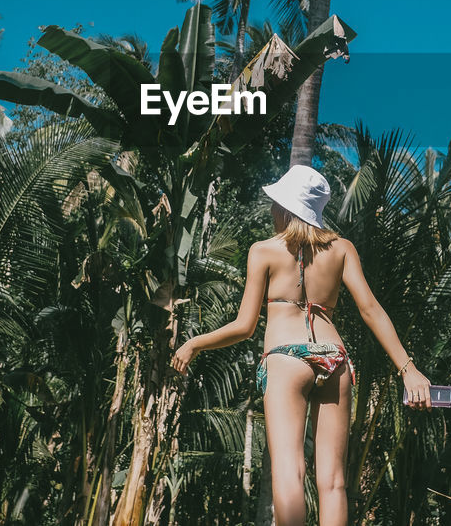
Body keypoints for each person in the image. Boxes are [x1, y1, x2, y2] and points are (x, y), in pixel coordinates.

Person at [170, 164, 434, 526]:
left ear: (284, 208)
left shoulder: (263, 251)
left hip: (286, 359)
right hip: (335, 359)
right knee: (333, 482)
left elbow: (244, 327)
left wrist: (194, 344)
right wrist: (408, 368)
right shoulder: (342, 249)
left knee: (289, 470)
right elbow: (370, 309)